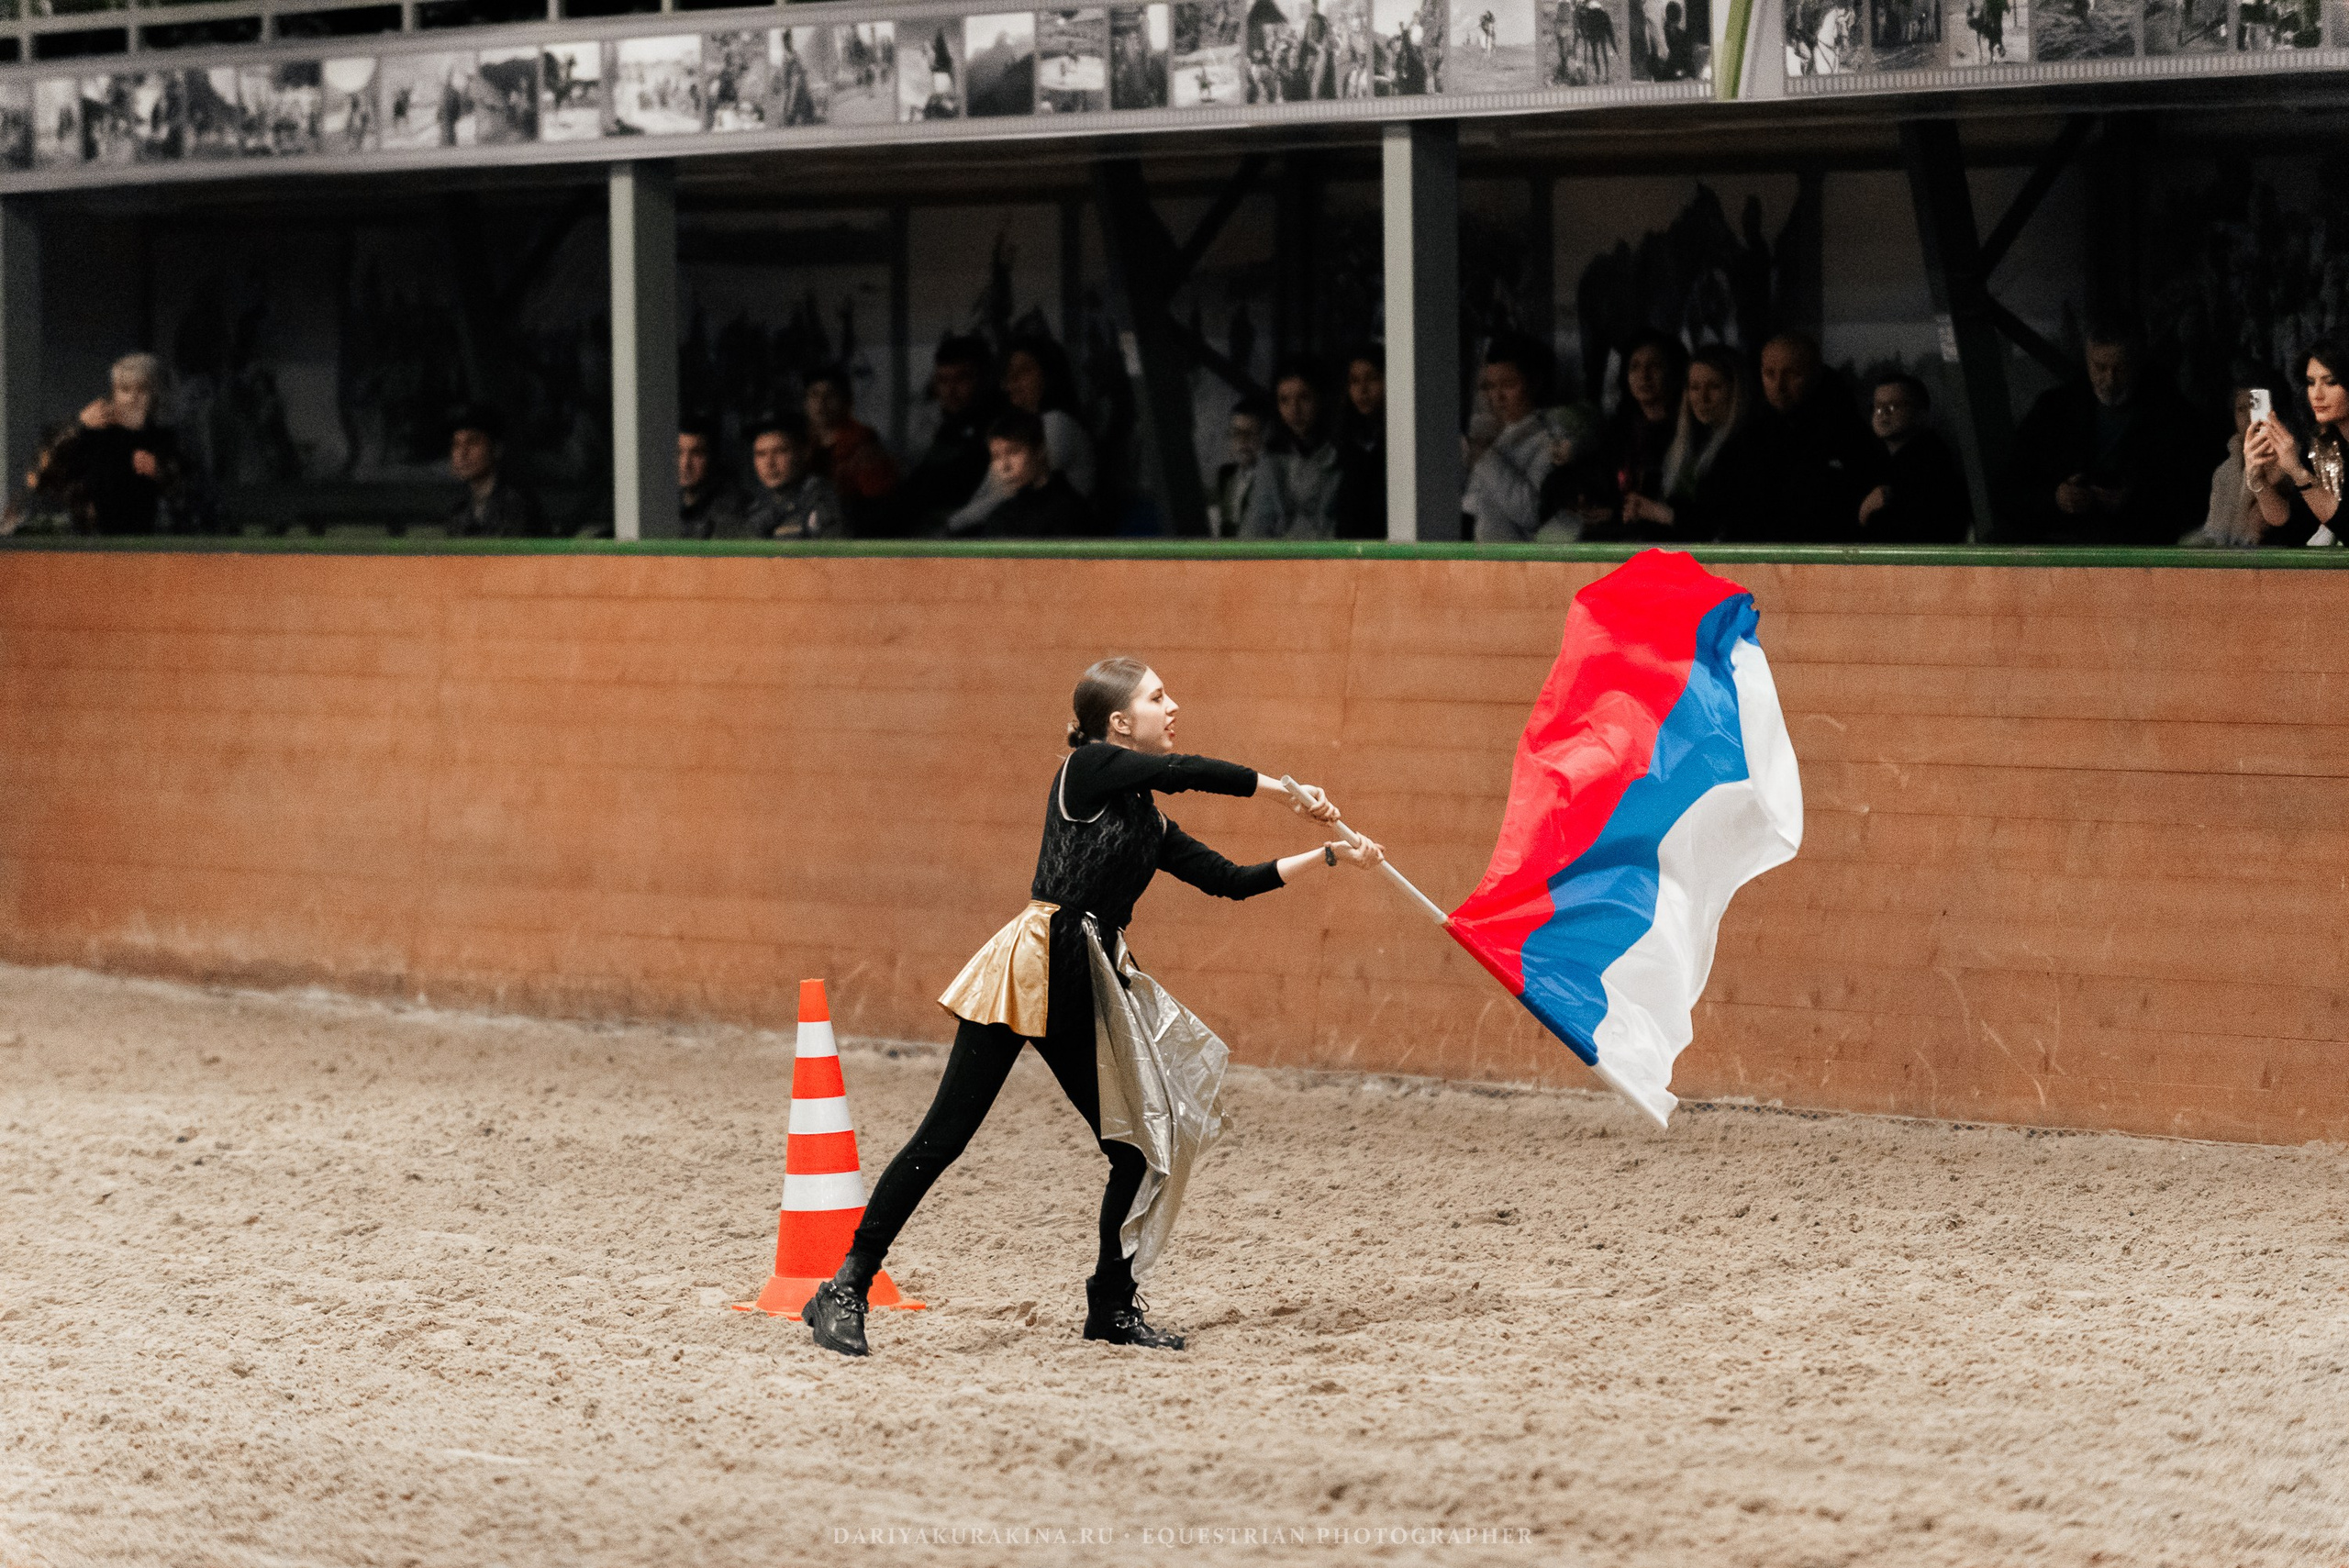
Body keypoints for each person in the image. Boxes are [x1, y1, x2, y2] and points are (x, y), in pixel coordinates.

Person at [801, 657, 1384, 1358]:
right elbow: (1182, 770)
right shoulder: (1088, 770)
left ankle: (1110, 1305)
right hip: (1029, 972)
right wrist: (1282, 789)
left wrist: (1327, 853)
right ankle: (845, 1286)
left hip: (1087, 982)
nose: (1174, 706)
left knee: (1135, 1149)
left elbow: (1230, 881)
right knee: (944, 1137)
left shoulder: (1148, 821)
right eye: (1157, 696)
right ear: (1116, 723)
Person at [1998, 319, 2213, 545]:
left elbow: (2195, 495)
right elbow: (2009, 488)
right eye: (2100, 367)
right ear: (2087, 361)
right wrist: (2056, 497)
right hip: (2059, 533)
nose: (2110, 380)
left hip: (2135, 540)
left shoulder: (2173, 415)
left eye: (2120, 368)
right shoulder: (2054, 409)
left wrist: (2135, 500)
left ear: (2138, 363)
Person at [1599, 342, 1768, 541]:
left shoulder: (1748, 448)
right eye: (1695, 387)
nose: (1702, 398)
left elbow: (1724, 523)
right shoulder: (1689, 443)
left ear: (1737, 390)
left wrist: (1660, 513)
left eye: (1714, 387)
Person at [18, 352, 196, 535]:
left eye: (142, 390)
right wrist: (79, 424)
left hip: (147, 547)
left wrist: (161, 470)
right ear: (114, 393)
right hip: (86, 545)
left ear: (154, 395)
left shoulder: (164, 440)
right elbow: (37, 477)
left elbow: (196, 502)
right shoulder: (90, 436)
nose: (133, 398)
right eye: (125, 389)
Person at [1543, 329, 1684, 536]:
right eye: (1635, 367)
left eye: (1654, 366)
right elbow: (1597, 475)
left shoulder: (1684, 433)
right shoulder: (1620, 430)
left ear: (1673, 372)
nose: (1643, 375)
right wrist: (1583, 498)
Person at [949, 335, 1096, 530]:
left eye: (1023, 371)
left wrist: (952, 526)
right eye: (1008, 374)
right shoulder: (1014, 430)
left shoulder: (1056, 422)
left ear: (1048, 374)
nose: (1011, 383)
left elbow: (1009, 493)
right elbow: (986, 493)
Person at [1754, 331, 1875, 542]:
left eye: (1792, 374)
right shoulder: (1754, 432)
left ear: (1816, 374)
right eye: (1769, 374)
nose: (1779, 386)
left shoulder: (1847, 433)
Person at [2245, 339, 2349, 548]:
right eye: (2311, 383)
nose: (2317, 394)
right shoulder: (2323, 447)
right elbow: (2292, 525)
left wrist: (2298, 472)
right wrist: (2258, 480)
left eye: (2330, 382)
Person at [1854, 373, 1970, 543]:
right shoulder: (1874, 461)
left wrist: (1864, 516)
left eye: (1893, 406)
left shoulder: (1931, 468)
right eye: (1877, 406)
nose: (1882, 413)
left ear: (1920, 414)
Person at [1464, 334, 1557, 543]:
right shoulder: (1493, 434)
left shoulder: (1549, 441)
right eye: (1490, 386)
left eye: (1508, 384)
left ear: (1534, 383)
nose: (1497, 397)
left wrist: (1486, 457)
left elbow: (1532, 513)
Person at [902, 335, 1000, 532]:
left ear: (985, 378)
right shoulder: (948, 427)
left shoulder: (1000, 427)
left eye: (962, 379)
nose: (950, 390)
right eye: (943, 380)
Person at [1242, 359, 1343, 539]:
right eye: (1284, 400)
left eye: (1304, 398)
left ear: (1320, 399)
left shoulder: (1340, 457)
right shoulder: (1271, 461)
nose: (1294, 409)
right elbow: (1255, 528)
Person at [957, 410, 1095, 539]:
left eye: (1013, 452)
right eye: (996, 457)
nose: (1004, 466)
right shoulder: (1001, 514)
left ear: (1039, 451)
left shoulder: (1069, 512)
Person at [804, 367, 899, 533]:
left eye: (830, 395)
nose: (821, 402)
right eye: (814, 395)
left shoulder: (863, 447)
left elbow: (881, 508)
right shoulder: (802, 446)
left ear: (846, 401)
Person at [2183, 382, 2270, 549]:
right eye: (2241, 409)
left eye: (2254, 407)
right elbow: (2214, 530)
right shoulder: (2225, 471)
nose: (2248, 417)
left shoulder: (2284, 464)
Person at [444, 405, 547, 538]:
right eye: (456, 444)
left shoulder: (517, 506)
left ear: (496, 449)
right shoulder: (459, 511)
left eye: (473, 442)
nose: (463, 453)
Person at [743, 412, 848, 539]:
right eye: (761, 454)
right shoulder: (755, 505)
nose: (769, 463)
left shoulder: (820, 499)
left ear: (804, 452)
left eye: (780, 451)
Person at [1332, 346, 1387, 540]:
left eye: (1372, 378)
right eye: (1354, 381)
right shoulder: (1342, 441)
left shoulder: (1397, 441)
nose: (1362, 390)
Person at [1212, 395, 1273, 539]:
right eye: (1237, 433)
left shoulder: (1271, 478)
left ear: (1264, 436)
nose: (1242, 441)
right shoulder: (1226, 474)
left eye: (1250, 434)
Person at [677, 419, 748, 539]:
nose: (686, 464)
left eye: (696, 453)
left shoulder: (731, 508)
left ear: (711, 459)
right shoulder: (664, 504)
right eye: (678, 452)